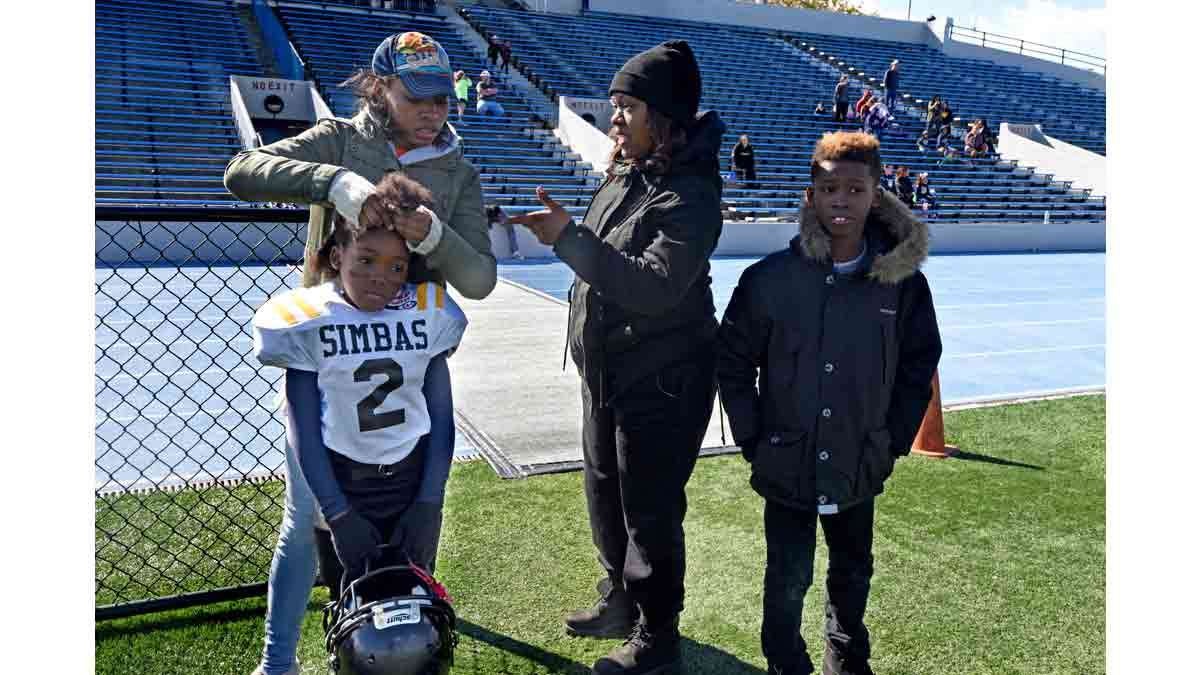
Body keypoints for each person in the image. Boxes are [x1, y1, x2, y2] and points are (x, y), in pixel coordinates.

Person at [224, 30, 497, 675]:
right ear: (381, 89)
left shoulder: (458, 172)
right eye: (417, 96)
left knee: (415, 506)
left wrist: (435, 236)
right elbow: (241, 171)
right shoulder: (343, 139)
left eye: (443, 98)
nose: (435, 110)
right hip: (329, 352)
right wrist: (333, 181)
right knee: (307, 515)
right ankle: (278, 661)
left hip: (410, 356)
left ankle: (416, 633)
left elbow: (480, 278)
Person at [508, 40, 724, 675]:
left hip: (663, 377)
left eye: (627, 106)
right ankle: (619, 601)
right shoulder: (628, 173)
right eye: (613, 105)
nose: (614, 119)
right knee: (604, 492)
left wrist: (567, 238)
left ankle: (658, 640)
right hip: (608, 368)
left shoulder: (691, 193)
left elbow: (652, 286)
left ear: (665, 115)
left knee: (650, 513)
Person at [715, 131, 942, 675]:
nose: (842, 199)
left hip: (859, 459)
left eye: (856, 188)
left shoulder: (902, 284)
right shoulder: (769, 279)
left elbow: (919, 363)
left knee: (853, 572)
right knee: (787, 578)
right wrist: (753, 440)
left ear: (877, 195)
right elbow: (732, 362)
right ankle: (785, 663)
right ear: (810, 196)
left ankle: (847, 658)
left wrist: (890, 441)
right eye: (829, 187)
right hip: (785, 461)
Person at [252, 172, 468, 596]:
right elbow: (304, 432)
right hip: (343, 480)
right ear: (337, 256)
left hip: (411, 475)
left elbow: (442, 417)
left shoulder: (428, 312)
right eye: (366, 260)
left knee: (415, 607)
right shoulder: (308, 320)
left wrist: (429, 502)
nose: (380, 277)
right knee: (352, 607)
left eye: (397, 266)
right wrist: (337, 513)